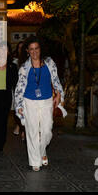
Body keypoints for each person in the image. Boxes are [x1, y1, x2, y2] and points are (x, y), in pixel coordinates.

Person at [14, 36, 64, 171]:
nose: (34, 52)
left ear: (40, 49)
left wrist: (58, 94)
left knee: (47, 131)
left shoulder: (49, 63)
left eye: (37, 48)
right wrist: (18, 106)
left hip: (47, 100)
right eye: (31, 49)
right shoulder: (24, 68)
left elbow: (56, 79)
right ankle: (35, 161)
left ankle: (42, 152)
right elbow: (19, 88)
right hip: (29, 101)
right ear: (27, 51)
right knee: (32, 132)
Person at [0, 44, 18, 156]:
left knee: (2, 121)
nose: (3, 51)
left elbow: (16, 84)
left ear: (8, 52)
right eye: (0, 49)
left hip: (5, 96)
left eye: (5, 49)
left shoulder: (12, 67)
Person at [11, 41, 25, 141]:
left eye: (22, 47)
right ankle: (19, 125)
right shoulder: (14, 61)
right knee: (17, 108)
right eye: (19, 47)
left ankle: (23, 129)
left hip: (26, 89)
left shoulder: (28, 60)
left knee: (25, 109)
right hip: (16, 88)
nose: (20, 49)